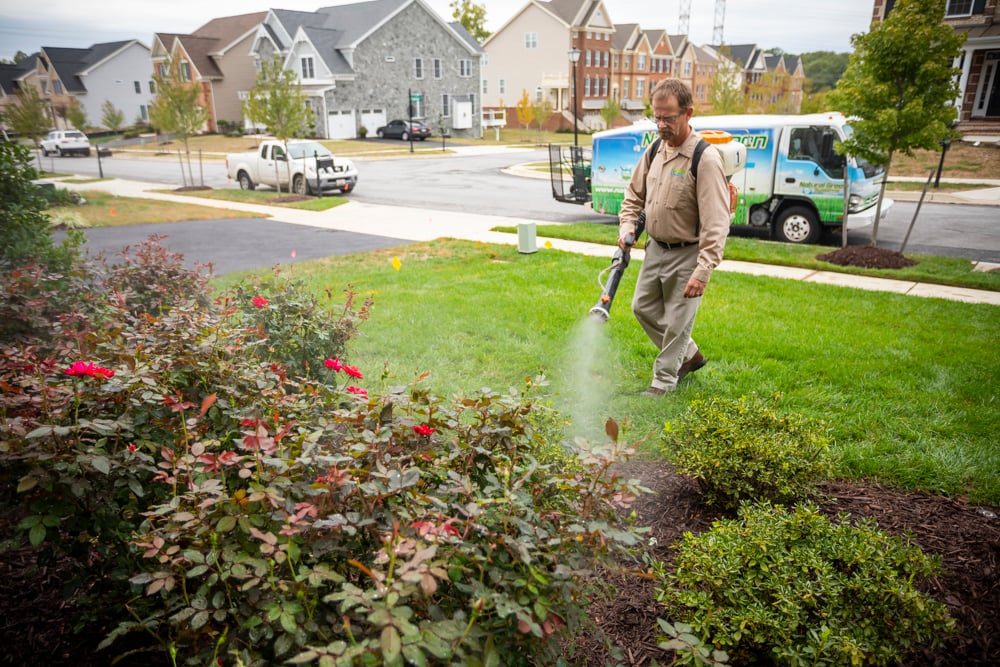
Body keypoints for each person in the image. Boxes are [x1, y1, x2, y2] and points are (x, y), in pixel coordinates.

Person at [618, 78, 731, 396]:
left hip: (688, 253)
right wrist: (627, 227)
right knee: (642, 307)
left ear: (688, 113)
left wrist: (704, 268)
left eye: (669, 117)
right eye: (657, 117)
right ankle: (691, 354)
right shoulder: (655, 150)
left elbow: (717, 221)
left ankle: (663, 382)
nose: (661, 124)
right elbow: (633, 195)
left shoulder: (704, 158)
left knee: (679, 320)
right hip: (656, 247)